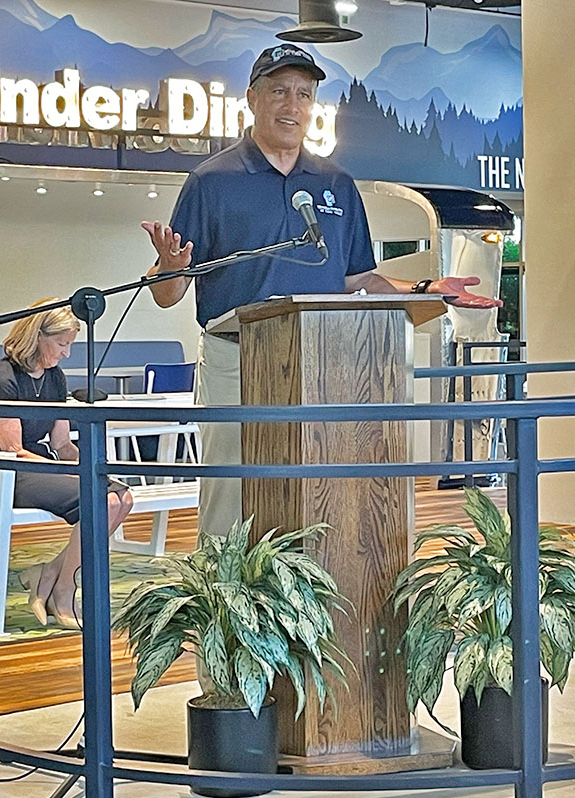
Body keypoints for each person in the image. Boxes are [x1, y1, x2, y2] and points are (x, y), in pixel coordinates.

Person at [140, 44, 502, 537]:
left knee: (318, 485)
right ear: (252, 97)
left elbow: (358, 278)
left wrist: (427, 287)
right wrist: (170, 267)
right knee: (231, 486)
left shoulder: (336, 183)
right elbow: (169, 294)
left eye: (304, 94)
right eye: (279, 91)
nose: (292, 105)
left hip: (325, 362)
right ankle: (222, 601)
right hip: (236, 358)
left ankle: (311, 598)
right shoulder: (212, 181)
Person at [0, 299, 133, 629]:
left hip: (41, 465)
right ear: (37, 336)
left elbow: (62, 444)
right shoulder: (1, 378)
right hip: (5, 471)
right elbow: (14, 450)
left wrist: (91, 465)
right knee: (100, 500)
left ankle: (48, 573)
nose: (66, 353)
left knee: (122, 497)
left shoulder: (54, 377)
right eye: (62, 344)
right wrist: (73, 474)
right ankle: (64, 589)